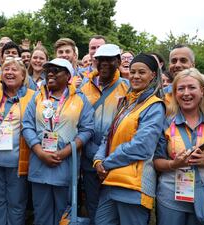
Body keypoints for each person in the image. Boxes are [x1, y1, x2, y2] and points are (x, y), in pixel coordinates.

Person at [93, 53, 165, 225]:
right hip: (111, 180)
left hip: (134, 185)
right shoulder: (125, 103)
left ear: (153, 75)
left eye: (142, 72)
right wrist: (97, 160)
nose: (136, 76)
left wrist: (107, 163)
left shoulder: (154, 105)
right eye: (132, 72)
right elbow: (108, 135)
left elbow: (142, 146)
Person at [22, 58, 94, 225]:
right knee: (41, 215)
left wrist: (66, 151)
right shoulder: (38, 97)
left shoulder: (80, 99)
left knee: (63, 215)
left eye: (56, 70)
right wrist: (39, 151)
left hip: (65, 166)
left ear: (68, 76)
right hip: (39, 165)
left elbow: (87, 129)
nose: (51, 74)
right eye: (49, 70)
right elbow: (26, 125)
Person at [154, 68, 204, 225]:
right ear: (174, 93)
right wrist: (174, 164)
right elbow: (157, 160)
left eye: (192, 87)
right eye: (181, 88)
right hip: (171, 196)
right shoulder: (165, 121)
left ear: (202, 90)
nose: (186, 93)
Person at [0, 58, 35, 225]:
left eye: (14, 69)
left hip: (19, 162)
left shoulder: (34, 97)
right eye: (6, 69)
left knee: (17, 203)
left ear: (23, 75)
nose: (9, 72)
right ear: (1, 74)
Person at [79, 44, 129, 224]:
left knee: (112, 206)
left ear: (118, 61)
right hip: (88, 155)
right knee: (92, 202)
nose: (104, 64)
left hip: (113, 158)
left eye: (109, 59)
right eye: (100, 60)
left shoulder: (126, 87)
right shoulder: (85, 87)